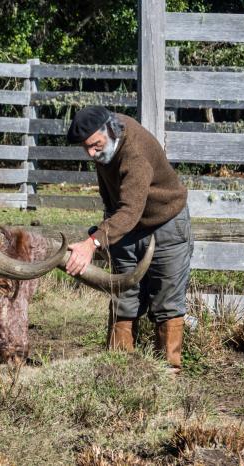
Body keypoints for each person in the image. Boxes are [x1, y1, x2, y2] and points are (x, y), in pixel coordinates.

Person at [64, 106, 193, 372]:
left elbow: (130, 210)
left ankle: (168, 373)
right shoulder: (107, 144)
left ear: (110, 130)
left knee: (166, 300)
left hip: (165, 223)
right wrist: (103, 231)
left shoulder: (134, 153)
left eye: (95, 145)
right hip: (125, 225)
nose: (90, 153)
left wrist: (93, 243)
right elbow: (116, 201)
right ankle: (119, 372)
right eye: (85, 148)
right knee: (123, 295)